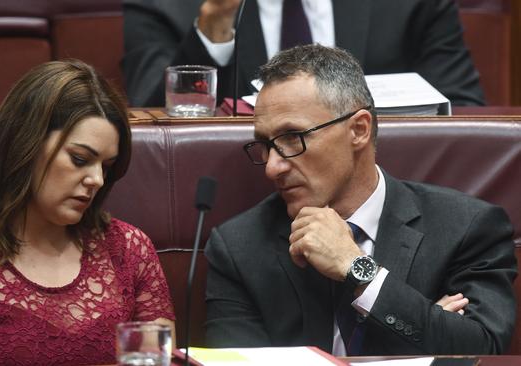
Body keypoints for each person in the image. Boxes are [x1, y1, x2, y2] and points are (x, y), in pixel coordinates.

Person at [204, 44, 516, 355]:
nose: (272, 167)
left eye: (292, 138)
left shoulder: (465, 227)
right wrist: (427, 332)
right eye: (265, 145)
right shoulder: (238, 247)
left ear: (358, 130)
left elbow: (482, 351)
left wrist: (358, 270)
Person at [0, 60, 175, 365]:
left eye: (106, 166)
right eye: (80, 159)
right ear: (25, 144)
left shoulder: (130, 250)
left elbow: (155, 361)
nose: (97, 180)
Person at [122, 0, 485, 108]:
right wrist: (215, 22)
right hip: (236, 202)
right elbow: (149, 122)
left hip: (383, 196)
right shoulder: (166, 5)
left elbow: (463, 109)